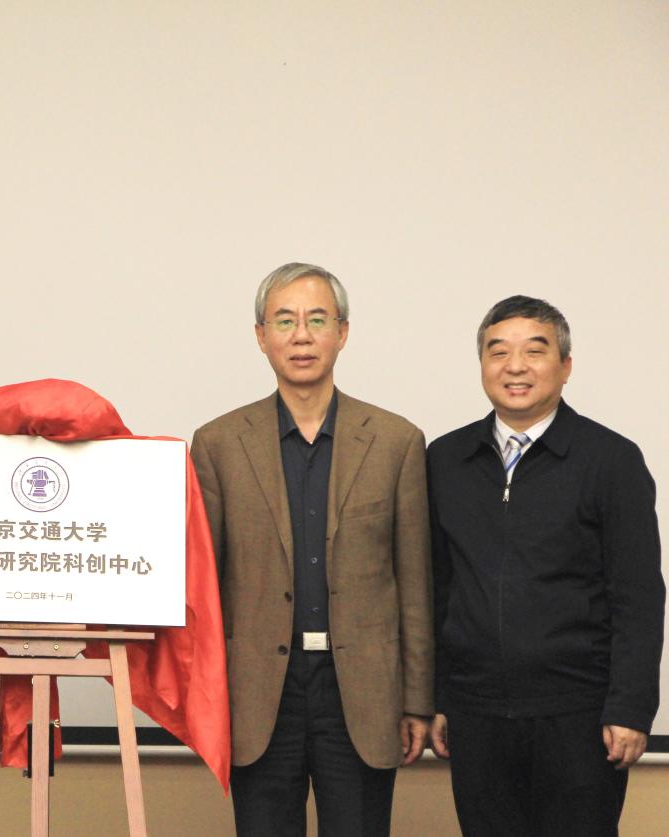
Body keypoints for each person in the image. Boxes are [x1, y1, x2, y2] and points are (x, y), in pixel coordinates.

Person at [191, 262, 433, 836]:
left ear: (342, 333)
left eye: (317, 319)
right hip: (258, 695)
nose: (301, 335)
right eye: (285, 320)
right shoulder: (218, 444)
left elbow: (415, 583)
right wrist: (205, 700)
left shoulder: (396, 442)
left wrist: (417, 700)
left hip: (360, 693)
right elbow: (203, 587)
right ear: (261, 336)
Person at [428, 296, 664, 836]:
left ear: (566, 366)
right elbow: (437, 589)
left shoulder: (611, 459)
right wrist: (438, 697)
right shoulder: (446, 459)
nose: (515, 367)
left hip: (578, 715)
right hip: (476, 714)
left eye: (534, 351)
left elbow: (637, 597)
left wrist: (629, 708)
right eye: (498, 352)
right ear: (482, 364)